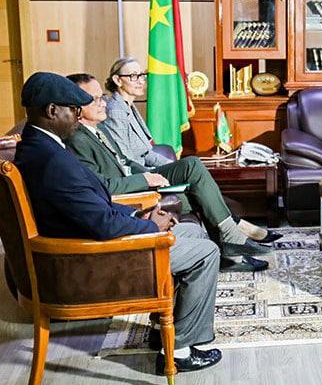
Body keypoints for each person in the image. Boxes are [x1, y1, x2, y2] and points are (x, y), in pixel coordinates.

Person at [13, 72, 222, 374]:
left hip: (89, 243)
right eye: (74, 109)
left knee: (192, 231)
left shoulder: (41, 148)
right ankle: (179, 351)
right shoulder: (52, 161)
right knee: (207, 253)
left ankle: (164, 331)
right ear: (52, 110)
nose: (78, 116)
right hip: (92, 261)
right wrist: (152, 227)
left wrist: (138, 216)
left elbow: (93, 206)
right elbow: (103, 225)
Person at [65, 73, 274, 273]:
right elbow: (102, 186)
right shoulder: (77, 139)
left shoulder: (99, 129)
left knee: (192, 165)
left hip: (138, 176)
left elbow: (125, 161)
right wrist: (146, 179)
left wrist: (152, 175)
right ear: (76, 106)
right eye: (94, 99)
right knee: (197, 192)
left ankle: (231, 240)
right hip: (129, 191)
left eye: (102, 97)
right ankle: (231, 245)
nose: (103, 103)